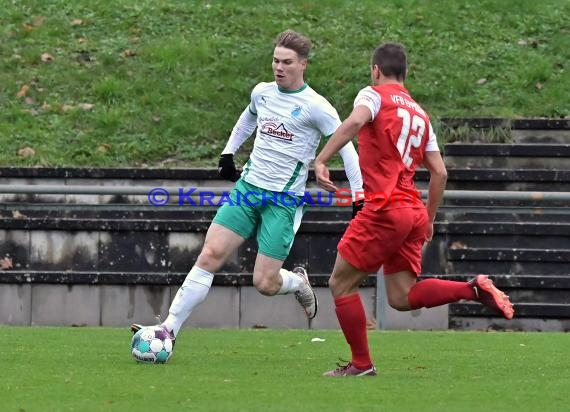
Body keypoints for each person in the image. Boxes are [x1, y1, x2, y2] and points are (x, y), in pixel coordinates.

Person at [132, 29, 363, 342]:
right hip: (248, 189)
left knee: (265, 283)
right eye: (275, 61)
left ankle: (297, 283)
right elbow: (248, 118)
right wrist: (229, 151)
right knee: (210, 254)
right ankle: (168, 330)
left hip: (282, 201)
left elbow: (347, 146)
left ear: (303, 65)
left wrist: (358, 193)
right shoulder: (263, 92)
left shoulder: (316, 107)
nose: (279, 67)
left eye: (287, 62)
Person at [313, 42, 514, 377]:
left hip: (383, 208)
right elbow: (440, 172)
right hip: (412, 210)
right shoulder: (420, 114)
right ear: (406, 73)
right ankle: (472, 289)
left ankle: (362, 364)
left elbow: (354, 122)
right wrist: (430, 219)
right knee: (402, 296)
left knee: (341, 284)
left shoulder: (373, 95)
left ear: (375, 69)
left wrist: (322, 158)